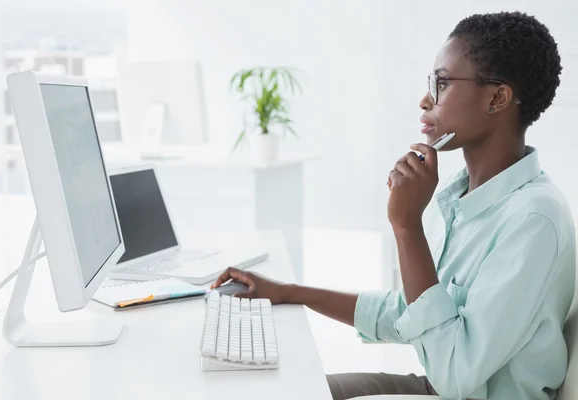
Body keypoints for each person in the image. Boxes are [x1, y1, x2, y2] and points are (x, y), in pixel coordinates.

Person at [211, 11, 576, 400]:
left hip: (457, 391)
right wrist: (289, 291)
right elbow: (411, 311)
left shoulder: (533, 220)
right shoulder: (460, 195)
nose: (425, 100)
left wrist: (407, 226)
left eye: (442, 83)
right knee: (289, 389)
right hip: (437, 386)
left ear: (497, 97)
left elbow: (454, 372)